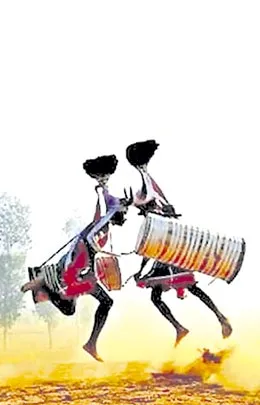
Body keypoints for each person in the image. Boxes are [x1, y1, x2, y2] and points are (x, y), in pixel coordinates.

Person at [20, 154, 132, 362]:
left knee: (72, 309)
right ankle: (90, 343)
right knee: (104, 302)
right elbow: (97, 227)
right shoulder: (103, 224)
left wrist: (103, 186)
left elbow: (106, 207)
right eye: (123, 214)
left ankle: (90, 343)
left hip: (81, 269)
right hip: (78, 269)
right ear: (116, 214)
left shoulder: (103, 223)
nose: (125, 218)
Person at [125, 140, 232, 345]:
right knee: (160, 296)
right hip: (165, 254)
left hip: (170, 252)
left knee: (188, 287)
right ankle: (182, 327)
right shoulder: (152, 203)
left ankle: (219, 318)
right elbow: (152, 246)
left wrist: (140, 269)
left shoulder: (153, 204)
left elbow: (153, 243)